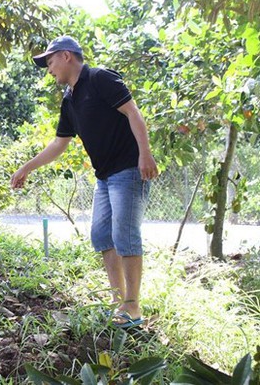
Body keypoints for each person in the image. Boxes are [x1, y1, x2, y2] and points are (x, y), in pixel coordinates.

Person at [10, 35, 158, 328]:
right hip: (104, 177)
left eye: (50, 62)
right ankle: (119, 302)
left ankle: (133, 307)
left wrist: (145, 154)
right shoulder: (69, 98)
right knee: (102, 235)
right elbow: (59, 143)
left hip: (128, 169)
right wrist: (27, 167)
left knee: (125, 235)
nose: (49, 69)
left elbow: (133, 112)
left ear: (66, 56)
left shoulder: (100, 79)